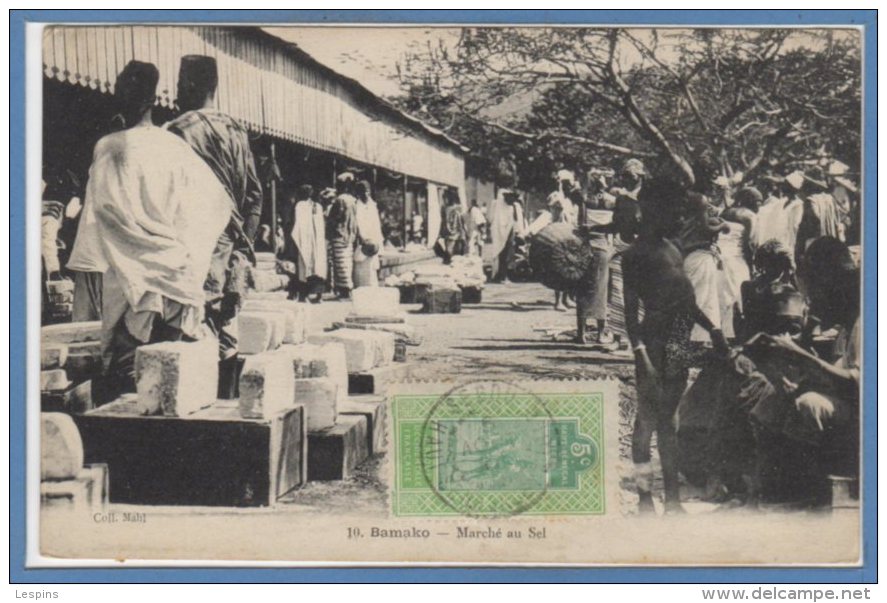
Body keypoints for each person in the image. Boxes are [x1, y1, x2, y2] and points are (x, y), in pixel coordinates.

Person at [84, 60, 233, 403]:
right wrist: (185, 258)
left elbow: (106, 215)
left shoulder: (109, 146)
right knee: (167, 384)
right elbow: (213, 207)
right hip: (173, 277)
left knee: (127, 384)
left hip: (130, 279)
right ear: (153, 99)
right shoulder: (175, 147)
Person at [621, 177, 728, 513]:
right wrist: (642, 356)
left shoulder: (673, 248)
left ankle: (674, 501)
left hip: (678, 338)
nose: (678, 216)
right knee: (647, 423)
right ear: (651, 208)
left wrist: (713, 329)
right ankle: (644, 498)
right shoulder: (635, 256)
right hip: (651, 343)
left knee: (671, 423)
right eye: (671, 209)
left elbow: (687, 302)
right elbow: (629, 315)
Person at [165, 55, 263, 391]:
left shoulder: (179, 130)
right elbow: (254, 196)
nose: (176, 94)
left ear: (191, 85)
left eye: (179, 86)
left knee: (191, 332)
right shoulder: (237, 129)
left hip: (197, 245)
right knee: (226, 331)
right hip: (231, 245)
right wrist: (243, 250)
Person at [679, 191, 730, 342]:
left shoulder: (687, 221)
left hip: (690, 259)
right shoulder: (700, 220)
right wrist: (722, 225)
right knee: (701, 299)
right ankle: (694, 337)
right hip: (699, 260)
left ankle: (696, 337)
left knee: (701, 298)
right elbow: (708, 229)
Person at [718, 186, 760, 339]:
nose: (759, 206)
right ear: (750, 201)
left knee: (722, 294)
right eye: (758, 202)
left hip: (719, 256)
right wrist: (752, 265)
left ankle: (721, 332)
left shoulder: (726, 212)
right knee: (738, 294)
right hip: (736, 258)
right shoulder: (749, 216)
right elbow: (750, 244)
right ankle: (734, 334)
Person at [287, 184, 327, 303]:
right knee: (318, 266)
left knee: (304, 267)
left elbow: (295, 223)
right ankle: (318, 295)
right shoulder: (318, 206)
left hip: (304, 240)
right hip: (316, 242)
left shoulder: (299, 206)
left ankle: (303, 295)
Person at [328, 172, 359, 298]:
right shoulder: (352, 200)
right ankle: (347, 288)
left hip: (339, 234)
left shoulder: (340, 200)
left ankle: (344, 289)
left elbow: (336, 217)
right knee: (347, 262)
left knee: (340, 263)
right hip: (350, 235)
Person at [487, 189, 525, 283]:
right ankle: (500, 276)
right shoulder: (498, 206)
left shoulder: (513, 207)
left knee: (507, 256)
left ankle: (503, 275)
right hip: (500, 235)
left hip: (508, 235)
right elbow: (492, 220)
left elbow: (515, 222)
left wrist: (516, 233)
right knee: (501, 256)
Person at [353, 179, 384, 288]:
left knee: (372, 269)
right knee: (361, 268)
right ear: (359, 193)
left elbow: (376, 225)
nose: (366, 194)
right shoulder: (356, 206)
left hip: (373, 242)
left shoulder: (372, 205)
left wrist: (378, 243)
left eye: (368, 192)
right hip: (361, 242)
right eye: (363, 192)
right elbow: (356, 223)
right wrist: (362, 238)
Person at [440, 189, 467, 262]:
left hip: (454, 236)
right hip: (448, 235)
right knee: (448, 255)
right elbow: (443, 222)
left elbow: (460, 224)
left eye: (445, 198)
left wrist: (462, 235)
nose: (444, 200)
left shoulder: (456, 209)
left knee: (451, 255)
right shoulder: (445, 209)